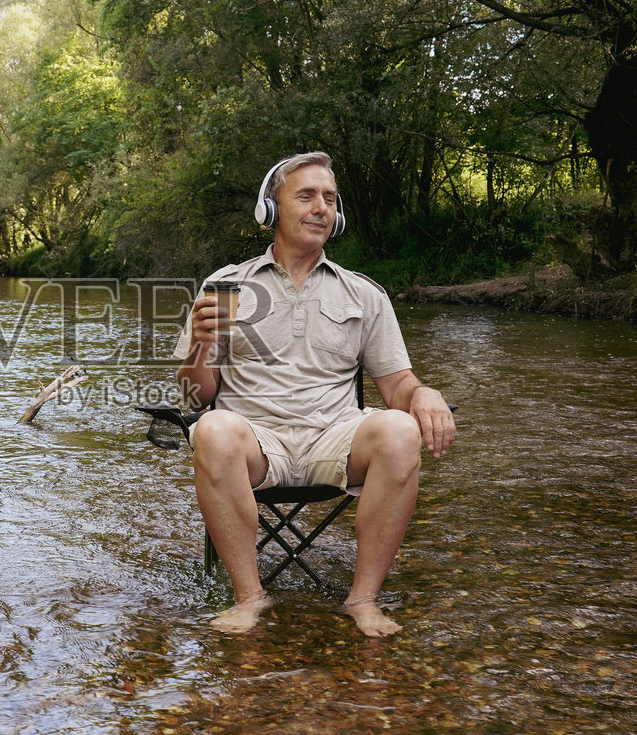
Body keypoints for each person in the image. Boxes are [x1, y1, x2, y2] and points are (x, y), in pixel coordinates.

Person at [174, 152, 455, 637]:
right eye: (305, 196)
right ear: (271, 209)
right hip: (256, 444)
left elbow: (398, 387)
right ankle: (250, 598)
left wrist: (424, 392)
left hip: (336, 439)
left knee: (399, 427)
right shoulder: (225, 287)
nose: (321, 208)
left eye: (330, 199)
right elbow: (194, 399)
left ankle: (363, 600)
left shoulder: (365, 294)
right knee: (213, 427)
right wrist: (200, 345)